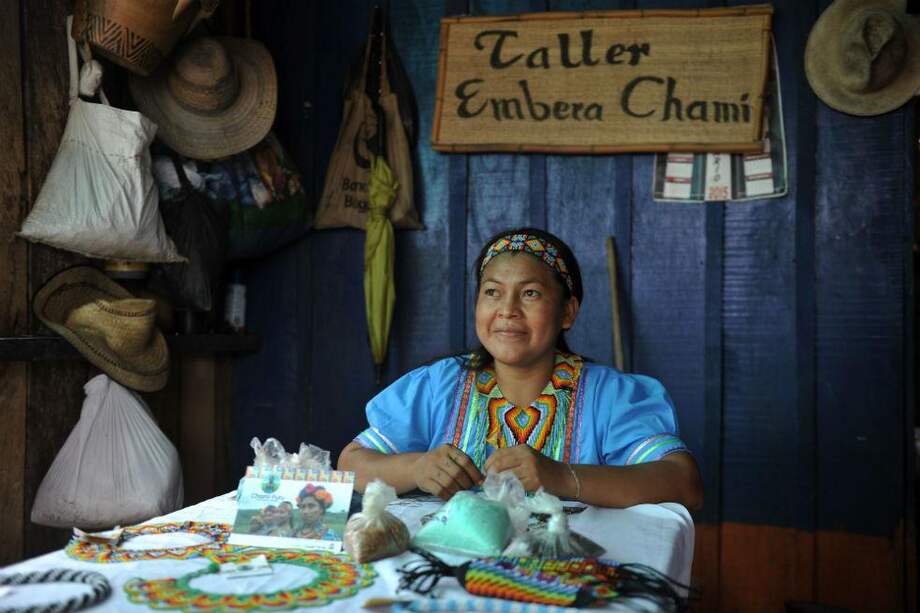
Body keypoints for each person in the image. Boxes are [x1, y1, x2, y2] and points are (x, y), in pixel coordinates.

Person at [338, 228, 704, 510]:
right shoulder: (438, 385)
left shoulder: (608, 396)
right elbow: (350, 462)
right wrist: (415, 469)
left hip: (569, 581)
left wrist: (561, 476)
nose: (507, 309)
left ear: (567, 312)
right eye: (492, 292)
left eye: (530, 293)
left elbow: (684, 483)